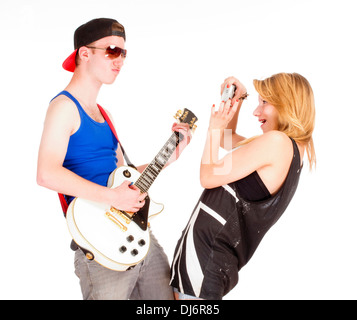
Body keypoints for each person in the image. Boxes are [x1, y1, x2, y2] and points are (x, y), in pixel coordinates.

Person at [37, 18, 191, 300]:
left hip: (136, 235)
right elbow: (46, 173)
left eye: (123, 53)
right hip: (100, 243)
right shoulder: (63, 107)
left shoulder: (103, 114)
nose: (119, 60)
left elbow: (126, 175)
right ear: (85, 53)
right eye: (111, 50)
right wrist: (112, 197)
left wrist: (172, 155)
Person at [170, 73, 316, 300]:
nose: (257, 112)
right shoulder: (288, 149)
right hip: (203, 263)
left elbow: (208, 176)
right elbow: (227, 141)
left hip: (204, 262)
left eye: (265, 102)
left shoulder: (277, 143)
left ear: (287, 102)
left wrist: (214, 126)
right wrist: (236, 102)